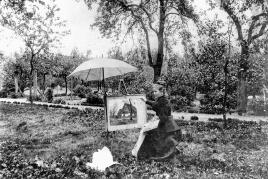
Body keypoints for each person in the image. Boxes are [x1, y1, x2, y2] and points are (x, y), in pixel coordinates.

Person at [135, 80, 181, 160]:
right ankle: (148, 154)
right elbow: (156, 105)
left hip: (165, 123)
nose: (154, 93)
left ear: (161, 92)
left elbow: (162, 114)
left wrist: (155, 126)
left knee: (151, 135)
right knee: (156, 138)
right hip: (165, 122)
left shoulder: (163, 101)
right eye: (153, 92)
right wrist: (146, 101)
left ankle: (145, 155)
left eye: (155, 91)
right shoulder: (161, 99)